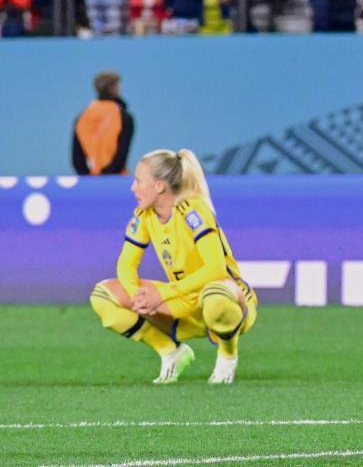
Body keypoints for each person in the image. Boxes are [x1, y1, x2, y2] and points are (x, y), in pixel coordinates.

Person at [89, 149, 257, 384]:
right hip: (184, 300)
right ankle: (171, 352)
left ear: (159, 186)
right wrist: (137, 296)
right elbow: (126, 264)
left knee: (214, 295)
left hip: (229, 299)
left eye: (138, 181)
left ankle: (227, 356)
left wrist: (162, 294)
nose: (133, 188)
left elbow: (216, 269)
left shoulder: (193, 211)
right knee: (103, 296)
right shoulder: (144, 215)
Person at [72, 71, 134, 176]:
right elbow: (122, 154)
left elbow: (77, 158)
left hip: (89, 179)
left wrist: (88, 177)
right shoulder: (123, 116)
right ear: (113, 88)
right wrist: (107, 176)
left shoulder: (81, 117)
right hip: (116, 178)